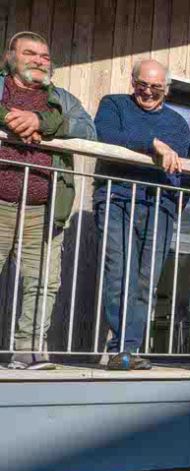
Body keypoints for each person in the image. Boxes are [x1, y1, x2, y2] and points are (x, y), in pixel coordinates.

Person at [0, 31, 96, 369]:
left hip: (45, 205)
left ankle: (29, 349)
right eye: (30, 53)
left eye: (45, 56)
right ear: (10, 57)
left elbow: (89, 130)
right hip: (1, 202)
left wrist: (44, 122)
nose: (40, 61)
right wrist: (11, 121)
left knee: (44, 282)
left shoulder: (61, 99)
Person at [93, 59, 190, 371]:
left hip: (160, 207)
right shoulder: (114, 105)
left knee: (145, 282)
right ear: (132, 82)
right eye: (143, 85)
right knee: (117, 275)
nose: (149, 92)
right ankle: (120, 348)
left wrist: (177, 204)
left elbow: (189, 165)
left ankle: (129, 348)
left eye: (156, 87)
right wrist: (152, 144)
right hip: (117, 199)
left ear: (166, 89)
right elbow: (106, 136)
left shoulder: (177, 122)